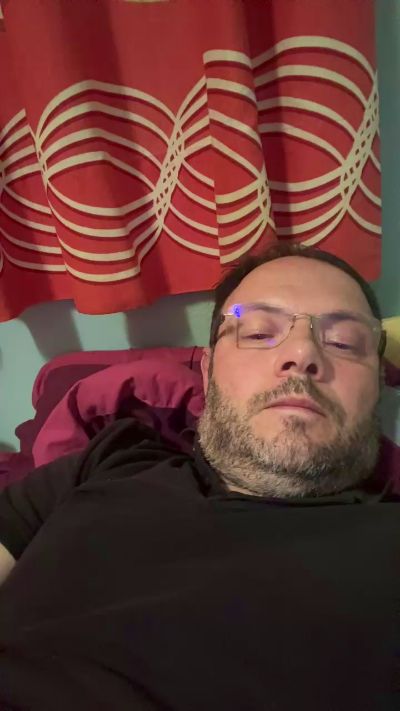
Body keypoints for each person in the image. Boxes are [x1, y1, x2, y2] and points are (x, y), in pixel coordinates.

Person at [0, 243, 398, 711]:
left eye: (345, 342)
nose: (302, 353)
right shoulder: (110, 460)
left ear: (377, 384)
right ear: (207, 372)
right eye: (257, 331)